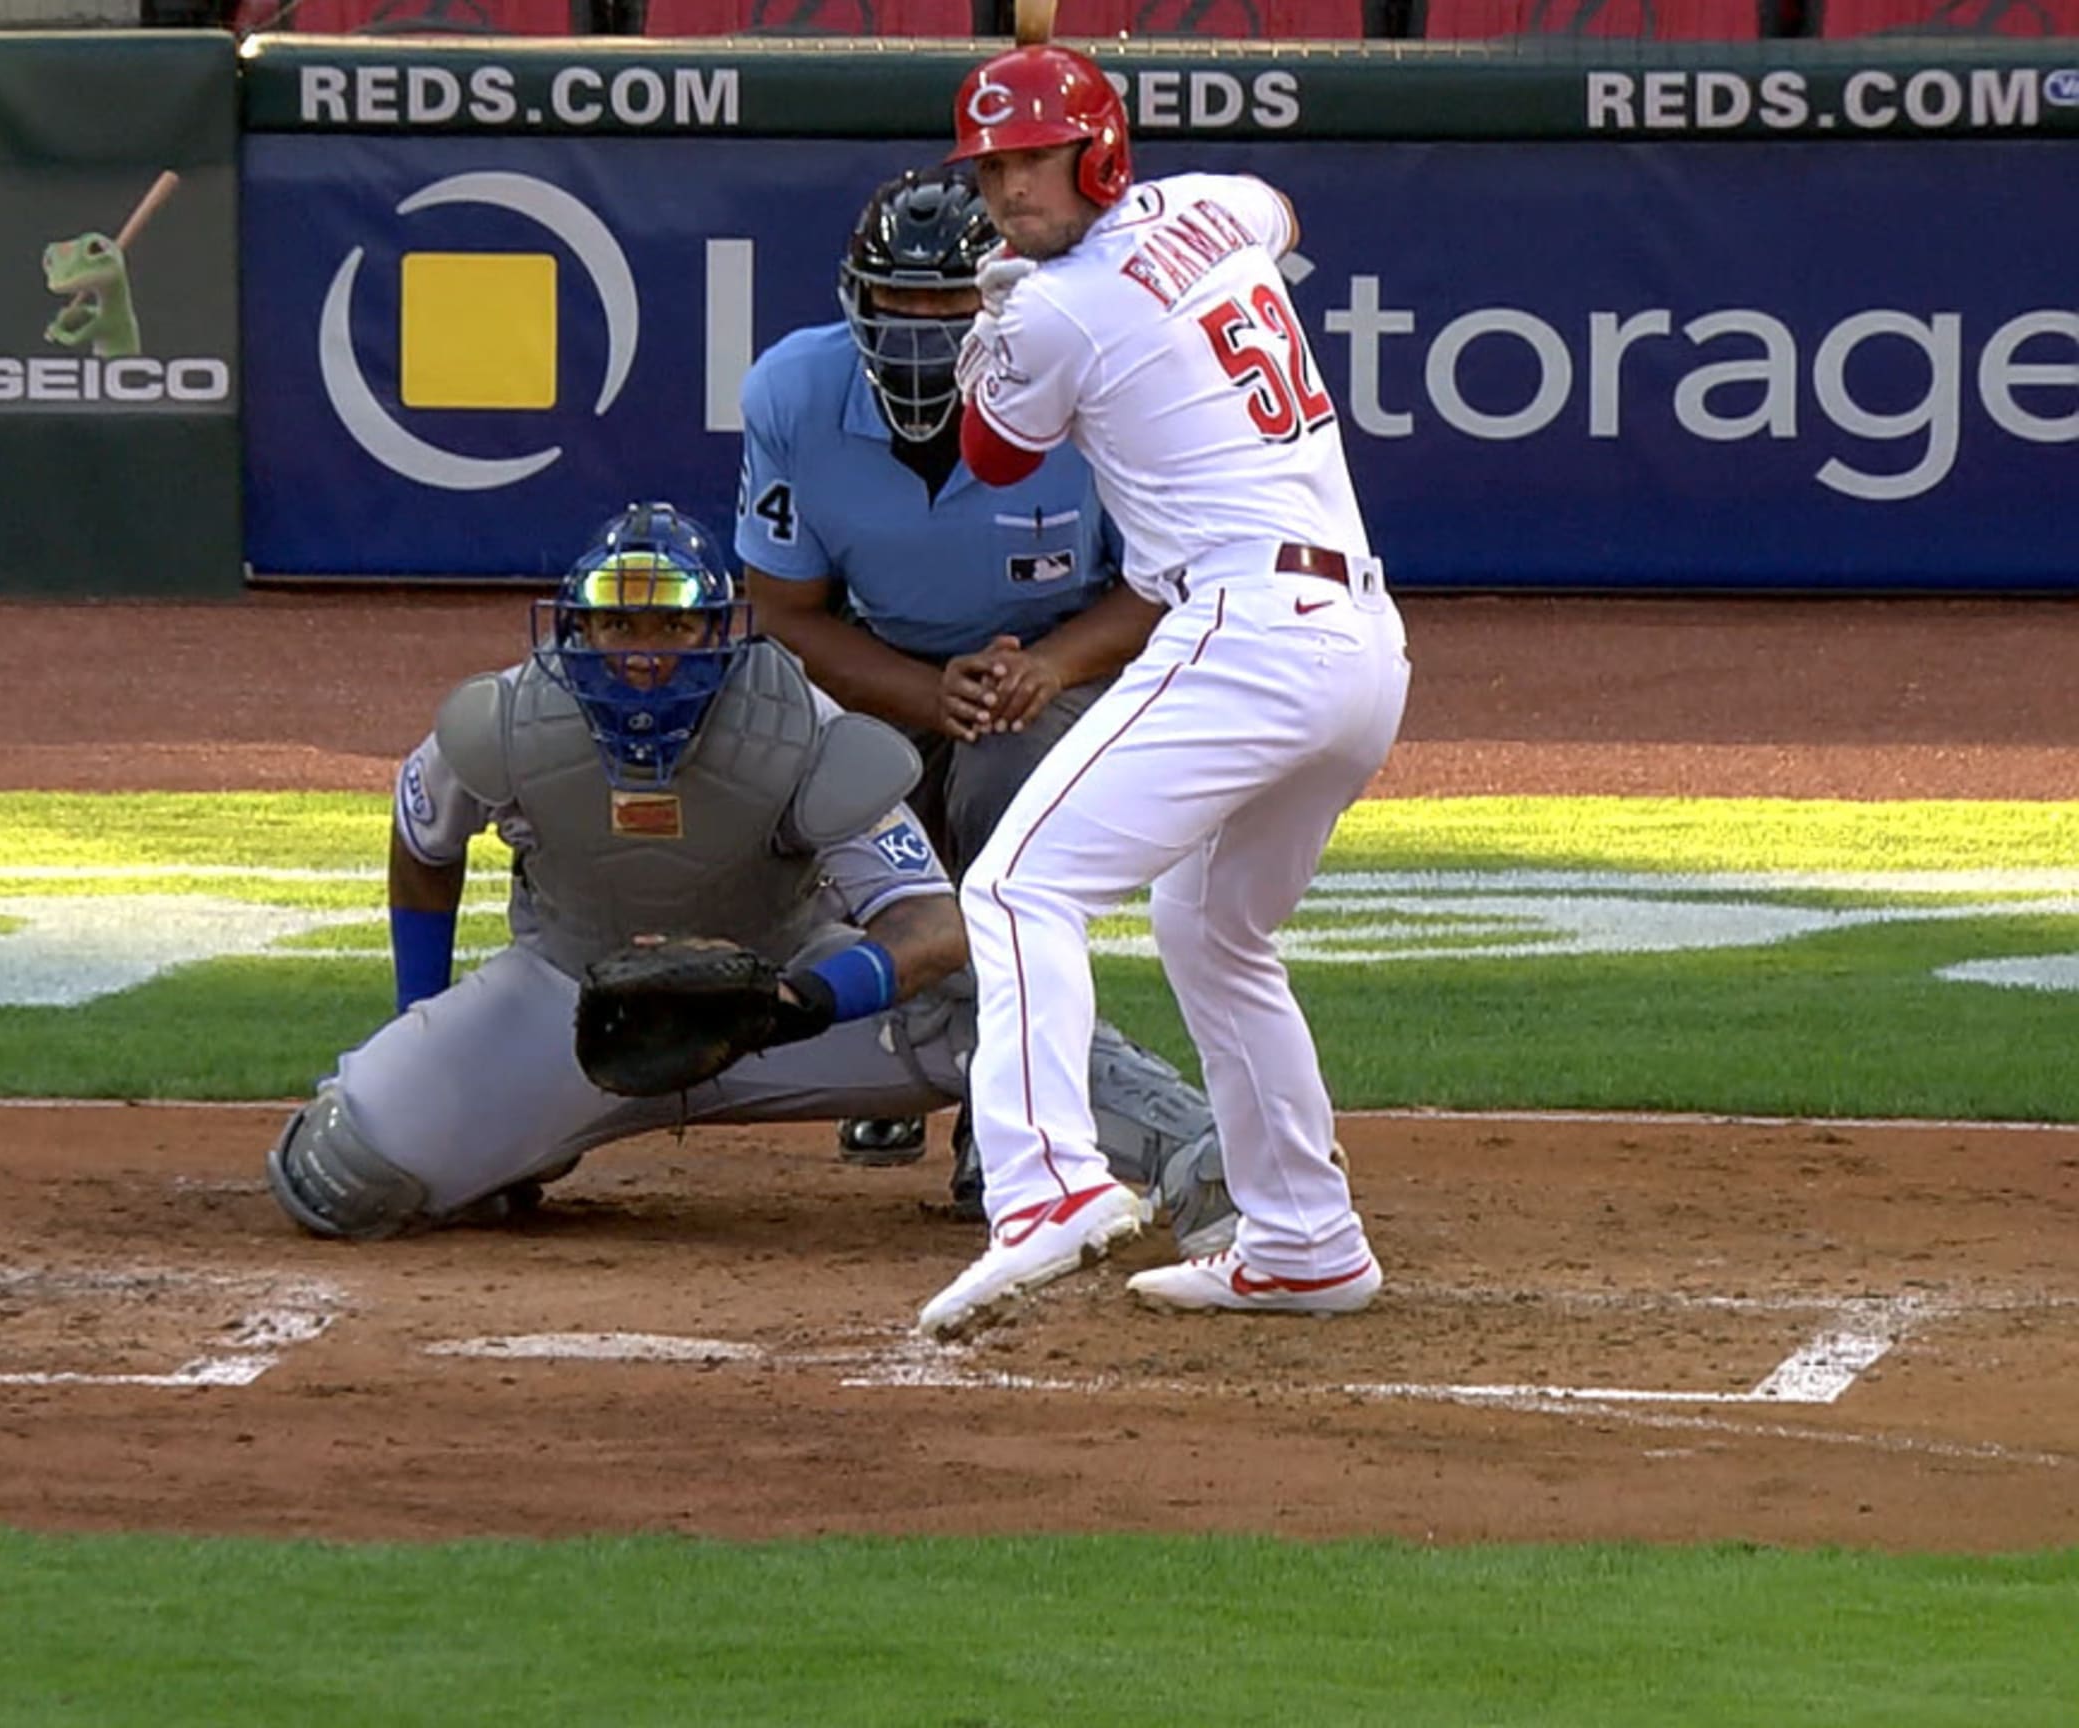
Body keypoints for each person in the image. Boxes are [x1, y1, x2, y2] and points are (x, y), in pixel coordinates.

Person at [916, 44, 1411, 1336]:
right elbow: (1274, 214)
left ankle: (1046, 1188)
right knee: (1209, 926)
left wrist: (1000, 317)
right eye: (992, 169)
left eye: (1029, 159)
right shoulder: (1210, 206)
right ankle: (1306, 1238)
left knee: (1017, 884)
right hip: (1357, 648)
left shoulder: (1048, 313)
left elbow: (990, 448)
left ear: (1095, 152)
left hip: (1249, 628)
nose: (1006, 190)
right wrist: (1060, 271)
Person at [736, 161, 1243, 1252]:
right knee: (835, 796)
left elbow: (1167, 580)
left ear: (1005, 299)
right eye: (900, 305)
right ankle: (892, 1058)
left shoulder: (1104, 375)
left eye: (950, 306)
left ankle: (998, 1115)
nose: (924, 331)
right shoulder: (790, 391)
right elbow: (780, 612)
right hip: (881, 663)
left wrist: (1050, 668)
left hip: (1060, 662)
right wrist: (928, 691)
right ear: (854, 302)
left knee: (1012, 816)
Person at [266, 501, 982, 1239]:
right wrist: (418, 1016)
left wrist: (799, 1000)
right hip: (568, 1005)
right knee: (338, 1174)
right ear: (580, 630)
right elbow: (423, 844)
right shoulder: (505, 722)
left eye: (672, 626)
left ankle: (1015, 1158)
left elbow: (931, 925)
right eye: (619, 625)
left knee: (1009, 1007)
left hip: (776, 1010)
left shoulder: (800, 725)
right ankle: (528, 1137)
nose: (644, 656)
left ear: (716, 632)